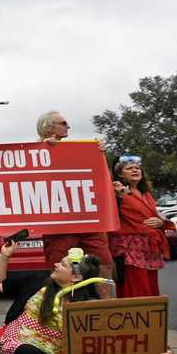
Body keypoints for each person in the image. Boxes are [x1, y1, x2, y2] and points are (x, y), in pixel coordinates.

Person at [0, 249, 174, 354]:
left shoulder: (88, 307)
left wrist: (157, 352)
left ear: (76, 278)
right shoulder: (37, 282)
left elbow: (117, 340)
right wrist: (4, 254)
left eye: (63, 264)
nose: (56, 264)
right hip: (11, 342)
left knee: (26, 353)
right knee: (18, 352)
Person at [35, 110, 115, 293]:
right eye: (63, 123)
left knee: (104, 263)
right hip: (60, 223)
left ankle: (106, 311)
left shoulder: (80, 150)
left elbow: (100, 179)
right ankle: (59, 313)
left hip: (88, 219)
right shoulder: (35, 153)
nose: (68, 126)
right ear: (48, 128)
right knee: (59, 266)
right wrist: (43, 148)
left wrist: (99, 154)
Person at [110, 155, 171, 297]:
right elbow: (110, 214)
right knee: (135, 290)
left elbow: (158, 217)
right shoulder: (115, 191)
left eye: (137, 168)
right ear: (120, 174)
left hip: (150, 247)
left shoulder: (147, 195)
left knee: (151, 289)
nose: (135, 170)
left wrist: (160, 223)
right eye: (129, 168)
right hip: (130, 248)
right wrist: (118, 196)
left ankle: (149, 319)